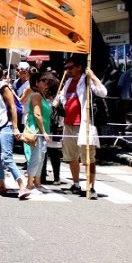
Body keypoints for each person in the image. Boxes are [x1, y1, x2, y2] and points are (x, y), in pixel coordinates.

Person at [57, 55, 107, 199]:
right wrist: (58, 100)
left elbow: (103, 92)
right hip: (68, 123)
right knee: (71, 156)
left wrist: (93, 76)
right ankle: (76, 183)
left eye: (70, 68)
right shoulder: (67, 82)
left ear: (79, 67)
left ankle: (91, 187)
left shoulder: (86, 80)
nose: (68, 71)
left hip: (83, 124)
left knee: (88, 158)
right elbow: (63, 97)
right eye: (66, 68)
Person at [0, 63, 30, 199]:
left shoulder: (3, 86)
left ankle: (22, 186)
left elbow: (13, 107)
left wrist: (15, 127)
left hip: (6, 125)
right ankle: (2, 186)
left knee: (6, 157)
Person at [26, 72, 59, 191]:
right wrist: (44, 131)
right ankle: (30, 182)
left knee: (42, 156)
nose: (46, 84)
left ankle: (38, 182)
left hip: (44, 130)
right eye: (43, 81)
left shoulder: (43, 96)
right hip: (37, 130)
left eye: (47, 82)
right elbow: (37, 113)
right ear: (36, 83)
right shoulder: (36, 95)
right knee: (36, 156)